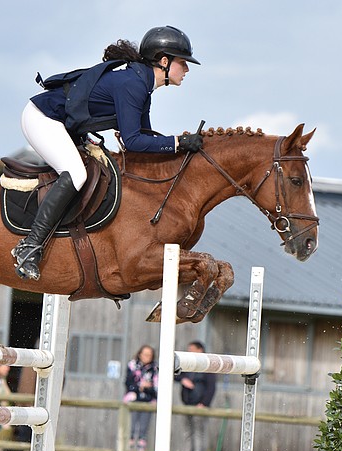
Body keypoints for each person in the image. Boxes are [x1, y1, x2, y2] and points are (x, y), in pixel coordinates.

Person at [13, 25, 203, 280]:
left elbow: (144, 138)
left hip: (62, 124)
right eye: (184, 62)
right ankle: (30, 246)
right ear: (164, 61)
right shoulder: (133, 84)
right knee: (76, 174)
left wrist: (180, 148)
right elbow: (134, 142)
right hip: (42, 118)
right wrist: (178, 142)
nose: (187, 69)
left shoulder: (142, 85)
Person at [177, 341, 216, 451]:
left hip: (199, 405)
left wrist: (204, 403)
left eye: (192, 349)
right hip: (187, 404)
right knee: (188, 433)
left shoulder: (207, 365)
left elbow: (211, 387)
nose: (189, 352)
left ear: (200, 350)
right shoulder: (188, 364)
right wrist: (183, 379)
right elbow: (176, 374)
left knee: (199, 433)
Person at [123, 345, 158, 451]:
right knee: (131, 428)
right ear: (140, 354)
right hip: (133, 400)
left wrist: (147, 388)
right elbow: (128, 383)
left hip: (148, 402)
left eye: (149, 355)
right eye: (145, 354)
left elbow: (156, 388)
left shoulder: (155, 368)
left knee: (143, 429)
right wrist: (140, 386)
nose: (147, 357)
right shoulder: (132, 366)